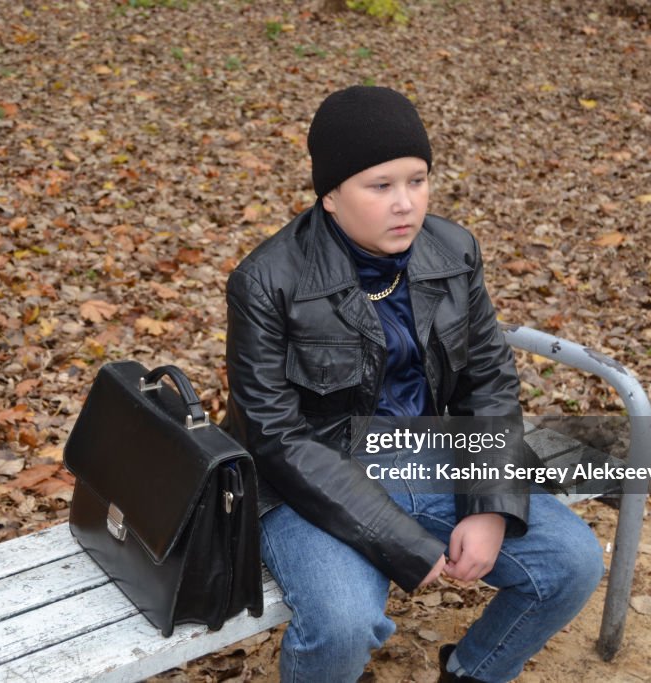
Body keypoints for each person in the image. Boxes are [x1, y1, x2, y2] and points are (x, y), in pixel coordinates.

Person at [224, 86, 604, 683]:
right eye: (380, 186)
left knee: (572, 562)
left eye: (417, 180)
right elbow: (275, 436)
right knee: (344, 626)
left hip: (426, 452)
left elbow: (488, 385)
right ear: (330, 195)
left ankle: (473, 671)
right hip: (306, 482)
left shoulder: (453, 252)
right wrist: (398, 539)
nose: (405, 204)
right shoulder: (266, 281)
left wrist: (490, 506)